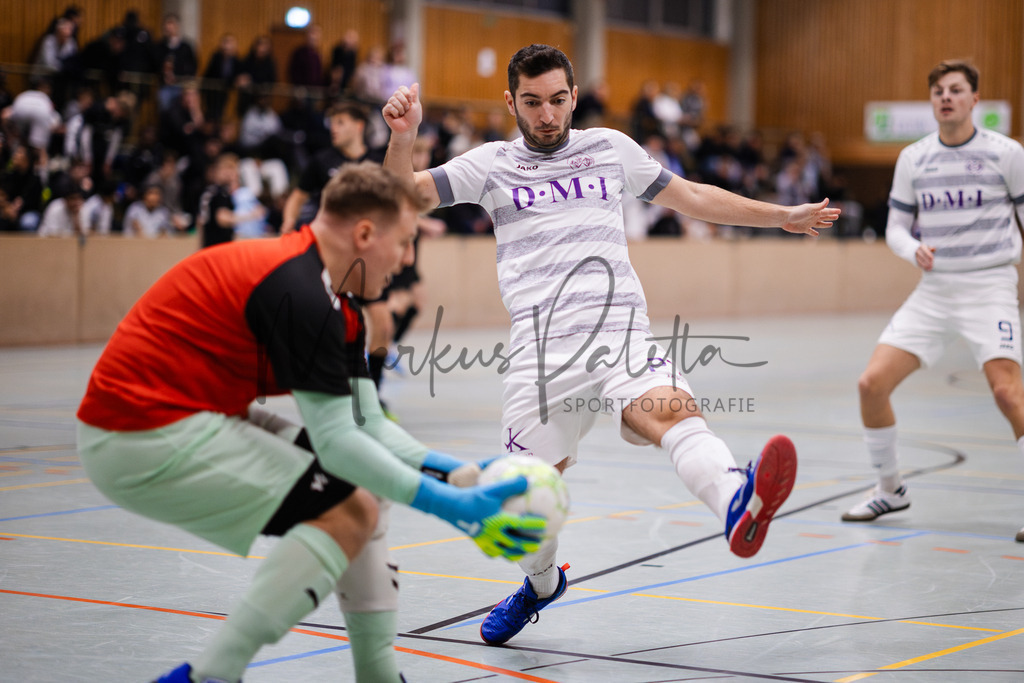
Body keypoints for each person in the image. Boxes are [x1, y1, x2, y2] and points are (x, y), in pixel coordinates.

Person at [381, 44, 840, 645]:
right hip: (539, 357)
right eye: (532, 102)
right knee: (527, 505)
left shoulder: (610, 148)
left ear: (575, 96)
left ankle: (736, 500)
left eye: (558, 100)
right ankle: (541, 584)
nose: (547, 115)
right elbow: (400, 198)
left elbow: (695, 196)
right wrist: (403, 138)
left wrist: (780, 216)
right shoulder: (490, 163)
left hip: (619, 329)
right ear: (511, 101)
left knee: (672, 412)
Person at [76, 163, 545, 683]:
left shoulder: (332, 296)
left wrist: (455, 474)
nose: (408, 260)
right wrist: (450, 507)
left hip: (188, 415)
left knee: (366, 494)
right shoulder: (297, 289)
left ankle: (378, 674)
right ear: (365, 234)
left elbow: (366, 426)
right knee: (345, 509)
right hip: (138, 433)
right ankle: (211, 674)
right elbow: (340, 444)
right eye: (406, 242)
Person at [840, 60, 1024, 543]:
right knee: (870, 384)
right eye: (939, 90)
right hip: (936, 289)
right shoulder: (913, 158)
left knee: (1008, 393)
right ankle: (890, 489)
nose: (946, 97)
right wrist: (911, 248)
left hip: (990, 286)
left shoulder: (1007, 154)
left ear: (974, 100)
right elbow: (896, 227)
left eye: (956, 90)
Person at [281, 101, 383, 233]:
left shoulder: (377, 162)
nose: (334, 128)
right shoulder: (322, 160)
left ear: (359, 126)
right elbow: (298, 196)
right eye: (332, 123)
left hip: (368, 231)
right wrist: (289, 221)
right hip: (330, 232)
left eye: (340, 123)